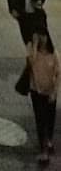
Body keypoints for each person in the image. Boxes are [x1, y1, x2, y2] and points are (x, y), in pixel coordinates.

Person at [26, 29, 61, 165]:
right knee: (40, 119)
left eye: (44, 36)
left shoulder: (54, 53)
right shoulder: (33, 50)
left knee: (50, 118)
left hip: (50, 92)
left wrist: (54, 92)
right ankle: (43, 150)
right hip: (36, 91)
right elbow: (31, 62)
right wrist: (34, 45)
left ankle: (49, 140)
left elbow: (58, 73)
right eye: (39, 37)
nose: (42, 39)